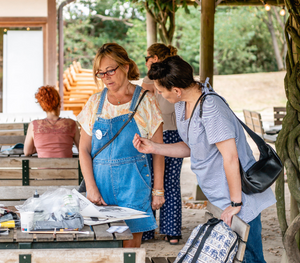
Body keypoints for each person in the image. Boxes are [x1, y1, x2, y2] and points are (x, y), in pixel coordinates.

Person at [132, 56, 276, 262]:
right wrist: (154, 147)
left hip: (240, 199)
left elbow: (231, 157)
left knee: (251, 257)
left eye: (161, 91)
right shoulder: (183, 104)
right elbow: (192, 147)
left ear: (176, 89)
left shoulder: (211, 108)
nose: (158, 95)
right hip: (221, 197)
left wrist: (236, 202)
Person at [77, 42, 165, 248]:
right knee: (102, 248)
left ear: (125, 66)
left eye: (110, 70)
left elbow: (159, 150)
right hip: (99, 186)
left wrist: (158, 190)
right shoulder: (93, 103)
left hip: (134, 186)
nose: (106, 77)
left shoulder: (147, 101)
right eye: (100, 73)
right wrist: (90, 187)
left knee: (130, 250)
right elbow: (84, 149)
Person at [142, 43, 184, 245]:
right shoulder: (174, 73)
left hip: (158, 134)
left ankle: (148, 230)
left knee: (150, 182)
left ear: (155, 59)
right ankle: (172, 231)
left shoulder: (152, 78)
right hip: (174, 134)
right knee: (171, 183)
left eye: (146, 58)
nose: (145, 62)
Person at [24, 86, 80, 158]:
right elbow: (82, 149)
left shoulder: (34, 125)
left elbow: (27, 151)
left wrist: (42, 147)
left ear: (42, 105)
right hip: (67, 168)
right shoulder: (71, 124)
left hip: (43, 169)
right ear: (59, 104)